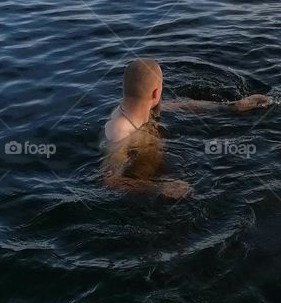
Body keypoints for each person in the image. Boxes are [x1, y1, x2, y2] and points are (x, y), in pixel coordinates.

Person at [101, 57, 271, 199]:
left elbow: (182, 105)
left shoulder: (139, 108)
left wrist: (232, 107)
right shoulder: (120, 130)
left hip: (154, 175)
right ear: (156, 93)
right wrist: (158, 189)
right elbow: (109, 181)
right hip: (141, 195)